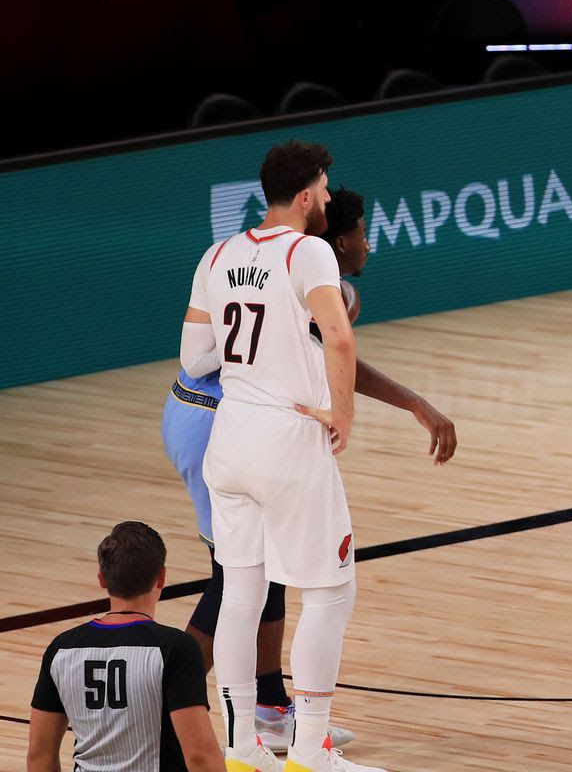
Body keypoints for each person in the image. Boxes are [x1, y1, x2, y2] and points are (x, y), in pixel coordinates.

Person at [160, 188, 454, 755]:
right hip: (223, 417)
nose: (369, 242)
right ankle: (166, 702)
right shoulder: (315, 279)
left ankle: (264, 712)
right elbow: (335, 351)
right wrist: (412, 403)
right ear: (337, 240)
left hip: (198, 412)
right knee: (241, 579)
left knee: (254, 574)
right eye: (363, 233)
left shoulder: (255, 260)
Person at [180, 140, 383, 772]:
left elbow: (194, 359)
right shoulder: (309, 250)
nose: (328, 198)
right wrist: (342, 413)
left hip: (230, 441)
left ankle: (241, 749)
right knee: (329, 593)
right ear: (303, 196)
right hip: (288, 440)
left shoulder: (218, 253)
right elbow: (340, 337)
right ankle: (310, 751)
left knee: (240, 592)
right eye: (324, 189)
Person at [28, 522, 225, 772]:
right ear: (161, 577)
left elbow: (39, 756)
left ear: (102, 579)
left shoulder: (61, 648)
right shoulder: (175, 648)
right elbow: (200, 756)